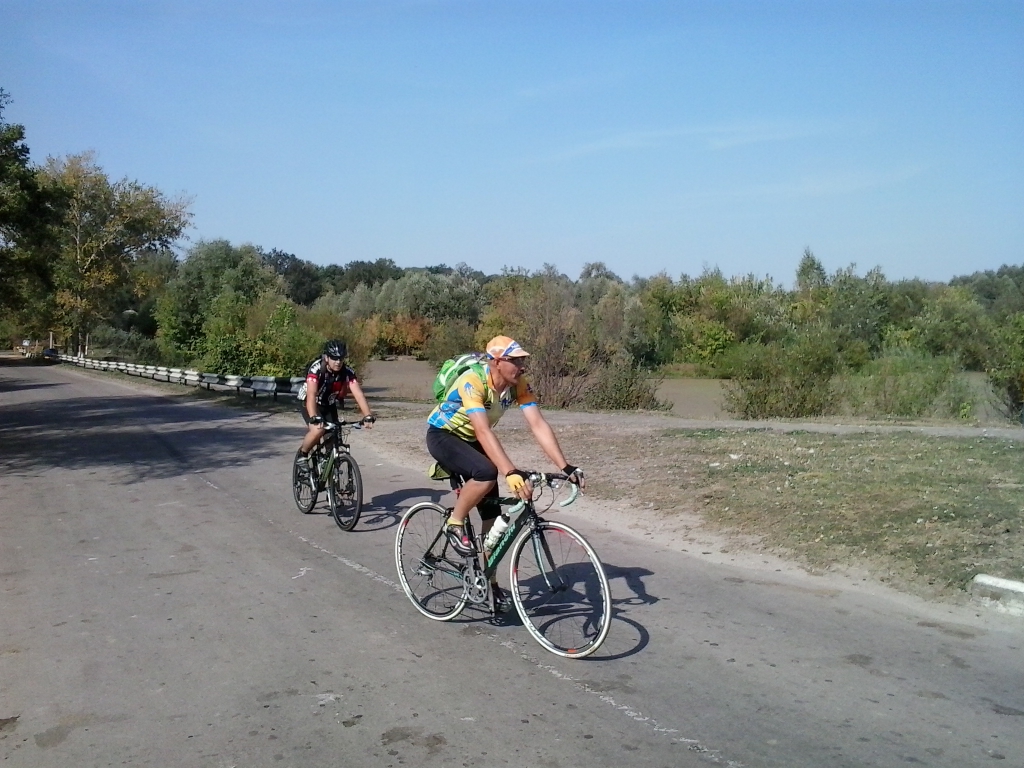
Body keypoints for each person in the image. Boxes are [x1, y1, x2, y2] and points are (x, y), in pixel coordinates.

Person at [425, 335, 585, 568]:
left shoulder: (518, 384)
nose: (522, 366)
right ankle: (455, 523)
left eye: (522, 360)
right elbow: (482, 430)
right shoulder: (473, 381)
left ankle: (488, 580)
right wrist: (510, 471)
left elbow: (538, 424)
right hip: (444, 435)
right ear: (496, 362)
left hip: (473, 439)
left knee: (492, 515)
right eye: (515, 360)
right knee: (487, 472)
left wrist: (565, 466)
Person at [296, 339, 375, 469]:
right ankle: (302, 455)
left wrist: (367, 415)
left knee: (334, 437)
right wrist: (314, 417)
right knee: (318, 430)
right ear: (327, 357)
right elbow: (311, 394)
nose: (338, 362)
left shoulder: (347, 372)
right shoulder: (317, 368)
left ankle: (327, 467)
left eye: (341, 358)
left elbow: (358, 394)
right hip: (309, 401)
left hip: (328, 404)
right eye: (334, 358)